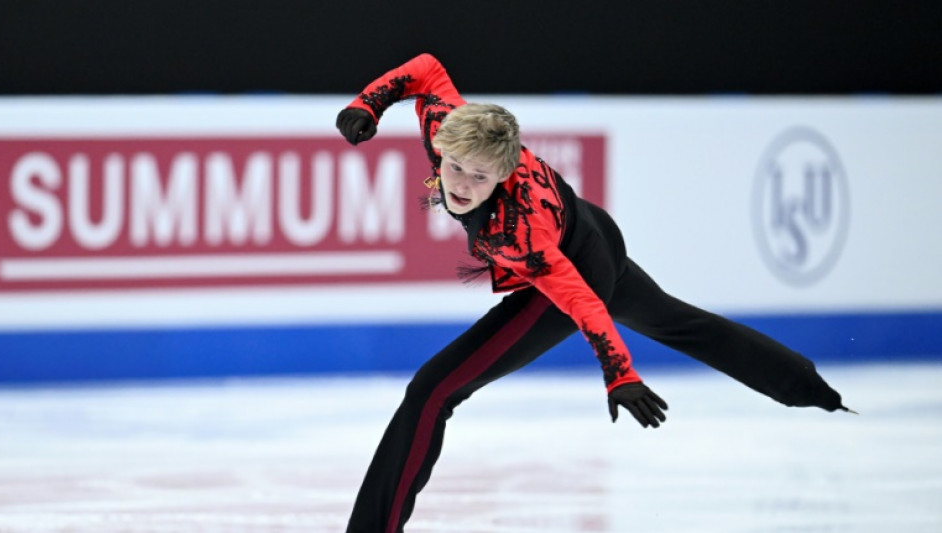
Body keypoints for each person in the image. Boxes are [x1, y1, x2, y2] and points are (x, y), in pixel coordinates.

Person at [335, 53, 850, 533]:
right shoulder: (448, 129)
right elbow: (426, 68)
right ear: (442, 146)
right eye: (454, 167)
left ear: (505, 173)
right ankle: (808, 387)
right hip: (592, 228)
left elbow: (582, 302)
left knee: (432, 390)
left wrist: (620, 375)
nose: (461, 184)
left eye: (480, 176)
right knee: (679, 323)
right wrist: (368, 104)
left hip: (576, 262)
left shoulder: (521, 232)